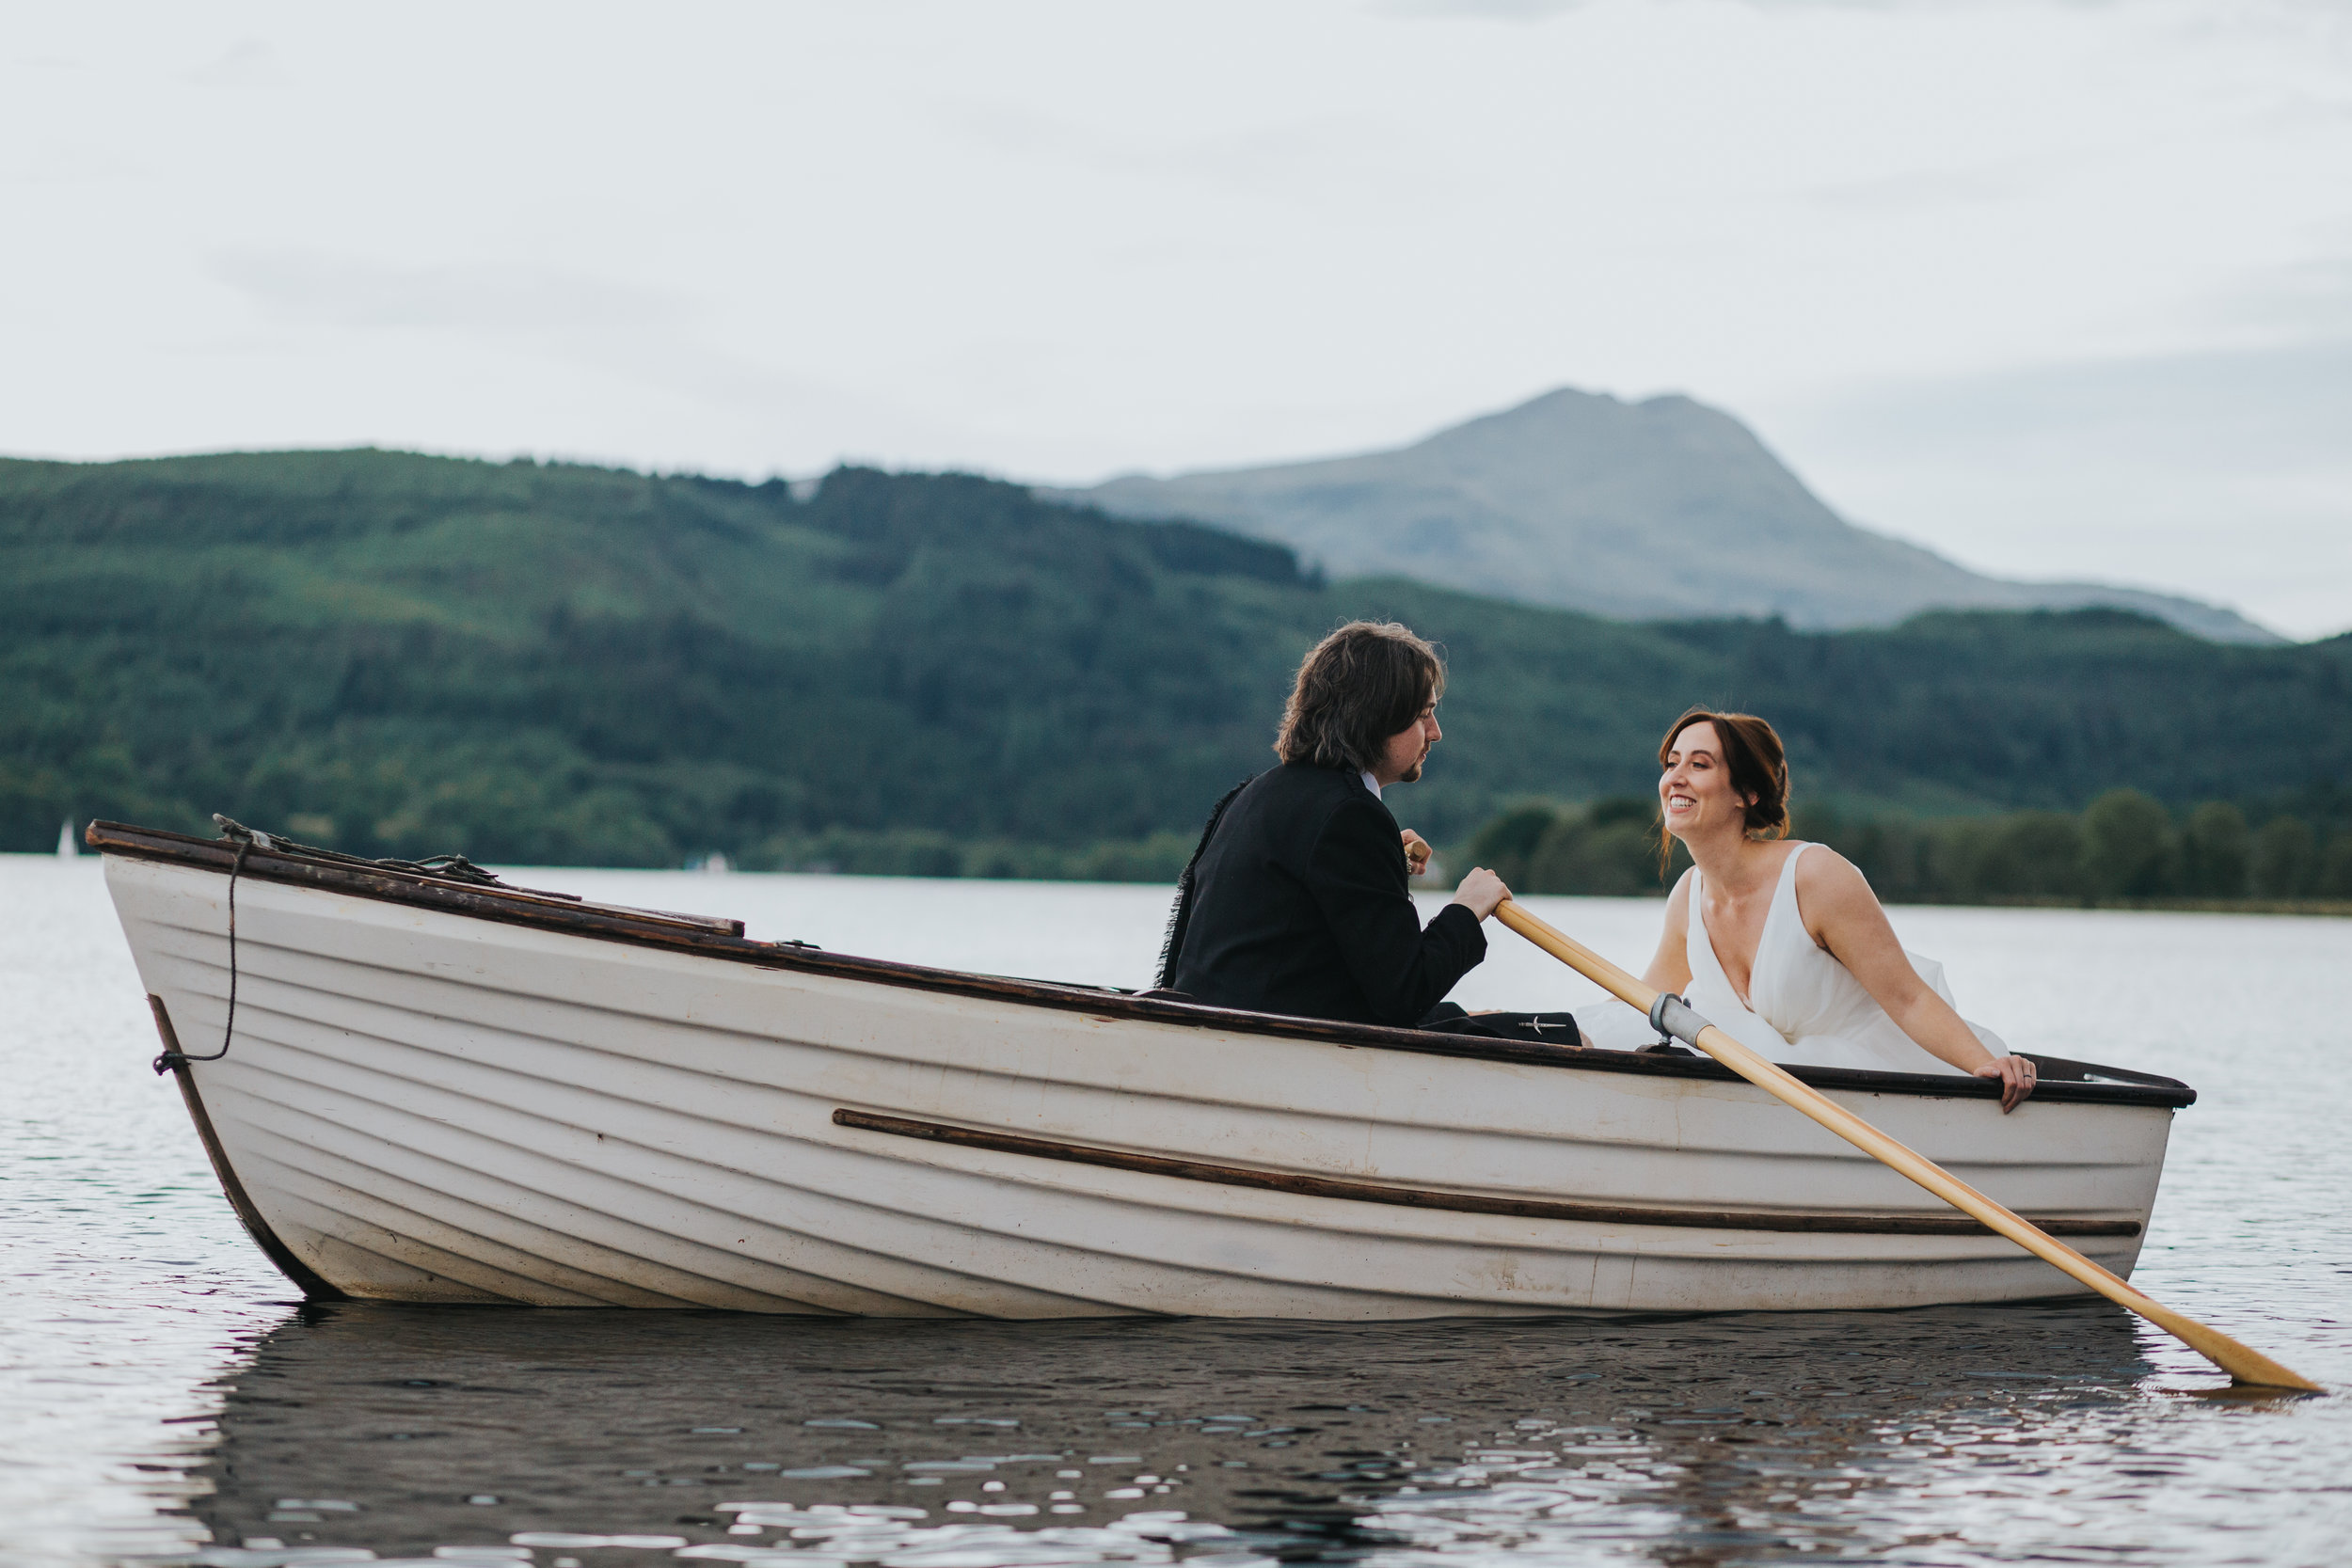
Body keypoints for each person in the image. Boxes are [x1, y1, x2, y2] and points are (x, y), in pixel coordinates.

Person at [1628, 707, 2038, 1111]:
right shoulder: (1687, 896)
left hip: (1868, 1081)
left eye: (1698, 765)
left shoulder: (1814, 877)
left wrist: (1982, 1062)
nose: (1675, 778)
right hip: (1773, 1090)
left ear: (1746, 794)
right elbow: (1640, 1002)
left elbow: (1908, 997)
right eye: (1671, 763)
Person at [1156, 621, 1512, 1027]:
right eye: (1423, 715)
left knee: (1486, 1018)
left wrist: (1381, 862)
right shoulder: (1351, 816)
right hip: (1277, 1046)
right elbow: (1406, 994)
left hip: (1234, 1031)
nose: (1436, 732)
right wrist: (1467, 909)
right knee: (1568, 1036)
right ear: (1377, 717)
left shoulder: (1250, 795)